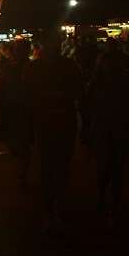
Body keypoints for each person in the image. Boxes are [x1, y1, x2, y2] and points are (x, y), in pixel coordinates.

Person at [26, 33, 82, 233]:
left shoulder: (38, 67)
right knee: (56, 166)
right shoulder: (68, 66)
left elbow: (28, 96)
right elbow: (78, 93)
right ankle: (54, 208)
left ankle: (53, 208)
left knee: (52, 165)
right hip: (56, 121)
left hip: (52, 122)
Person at [86, 38, 129, 227]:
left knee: (113, 167)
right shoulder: (116, 82)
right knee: (108, 167)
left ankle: (110, 203)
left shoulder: (111, 83)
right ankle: (107, 201)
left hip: (112, 127)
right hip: (107, 127)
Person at [0, 39, 34, 183]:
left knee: (22, 142)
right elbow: (1, 89)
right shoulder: (9, 68)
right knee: (15, 141)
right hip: (12, 109)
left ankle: (23, 171)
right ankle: (22, 167)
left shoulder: (32, 67)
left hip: (23, 109)